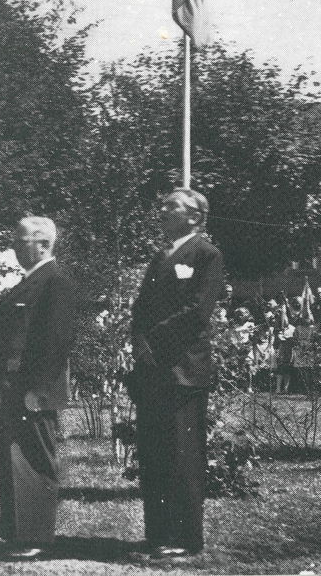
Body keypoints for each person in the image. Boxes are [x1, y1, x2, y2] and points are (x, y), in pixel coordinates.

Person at [130, 188, 224, 558]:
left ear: (195, 216)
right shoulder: (161, 257)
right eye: (164, 203)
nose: (163, 210)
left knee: (182, 456)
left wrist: (153, 340)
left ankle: (185, 540)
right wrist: (139, 342)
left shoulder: (206, 254)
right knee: (154, 454)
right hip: (152, 371)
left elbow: (198, 312)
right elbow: (140, 307)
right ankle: (159, 533)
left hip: (183, 371)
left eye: (172, 206)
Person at [0, 216, 77, 558]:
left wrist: (40, 388)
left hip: (33, 391)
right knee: (12, 456)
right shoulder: (26, 284)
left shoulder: (55, 283)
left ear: (44, 244)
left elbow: (56, 343)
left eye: (21, 242)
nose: (15, 248)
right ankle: (16, 529)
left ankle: (35, 537)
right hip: (12, 389)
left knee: (35, 458)